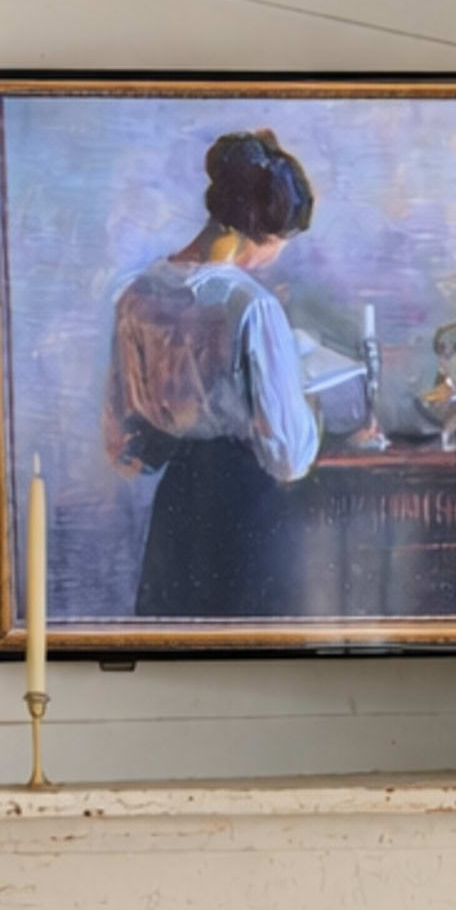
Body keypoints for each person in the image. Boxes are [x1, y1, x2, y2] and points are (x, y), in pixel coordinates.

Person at [112, 130, 330, 616]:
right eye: (280, 242)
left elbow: (127, 445)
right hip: (246, 508)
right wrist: (309, 404)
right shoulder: (250, 306)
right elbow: (290, 455)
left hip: (177, 508)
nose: (278, 256)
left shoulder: (136, 296)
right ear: (263, 232)